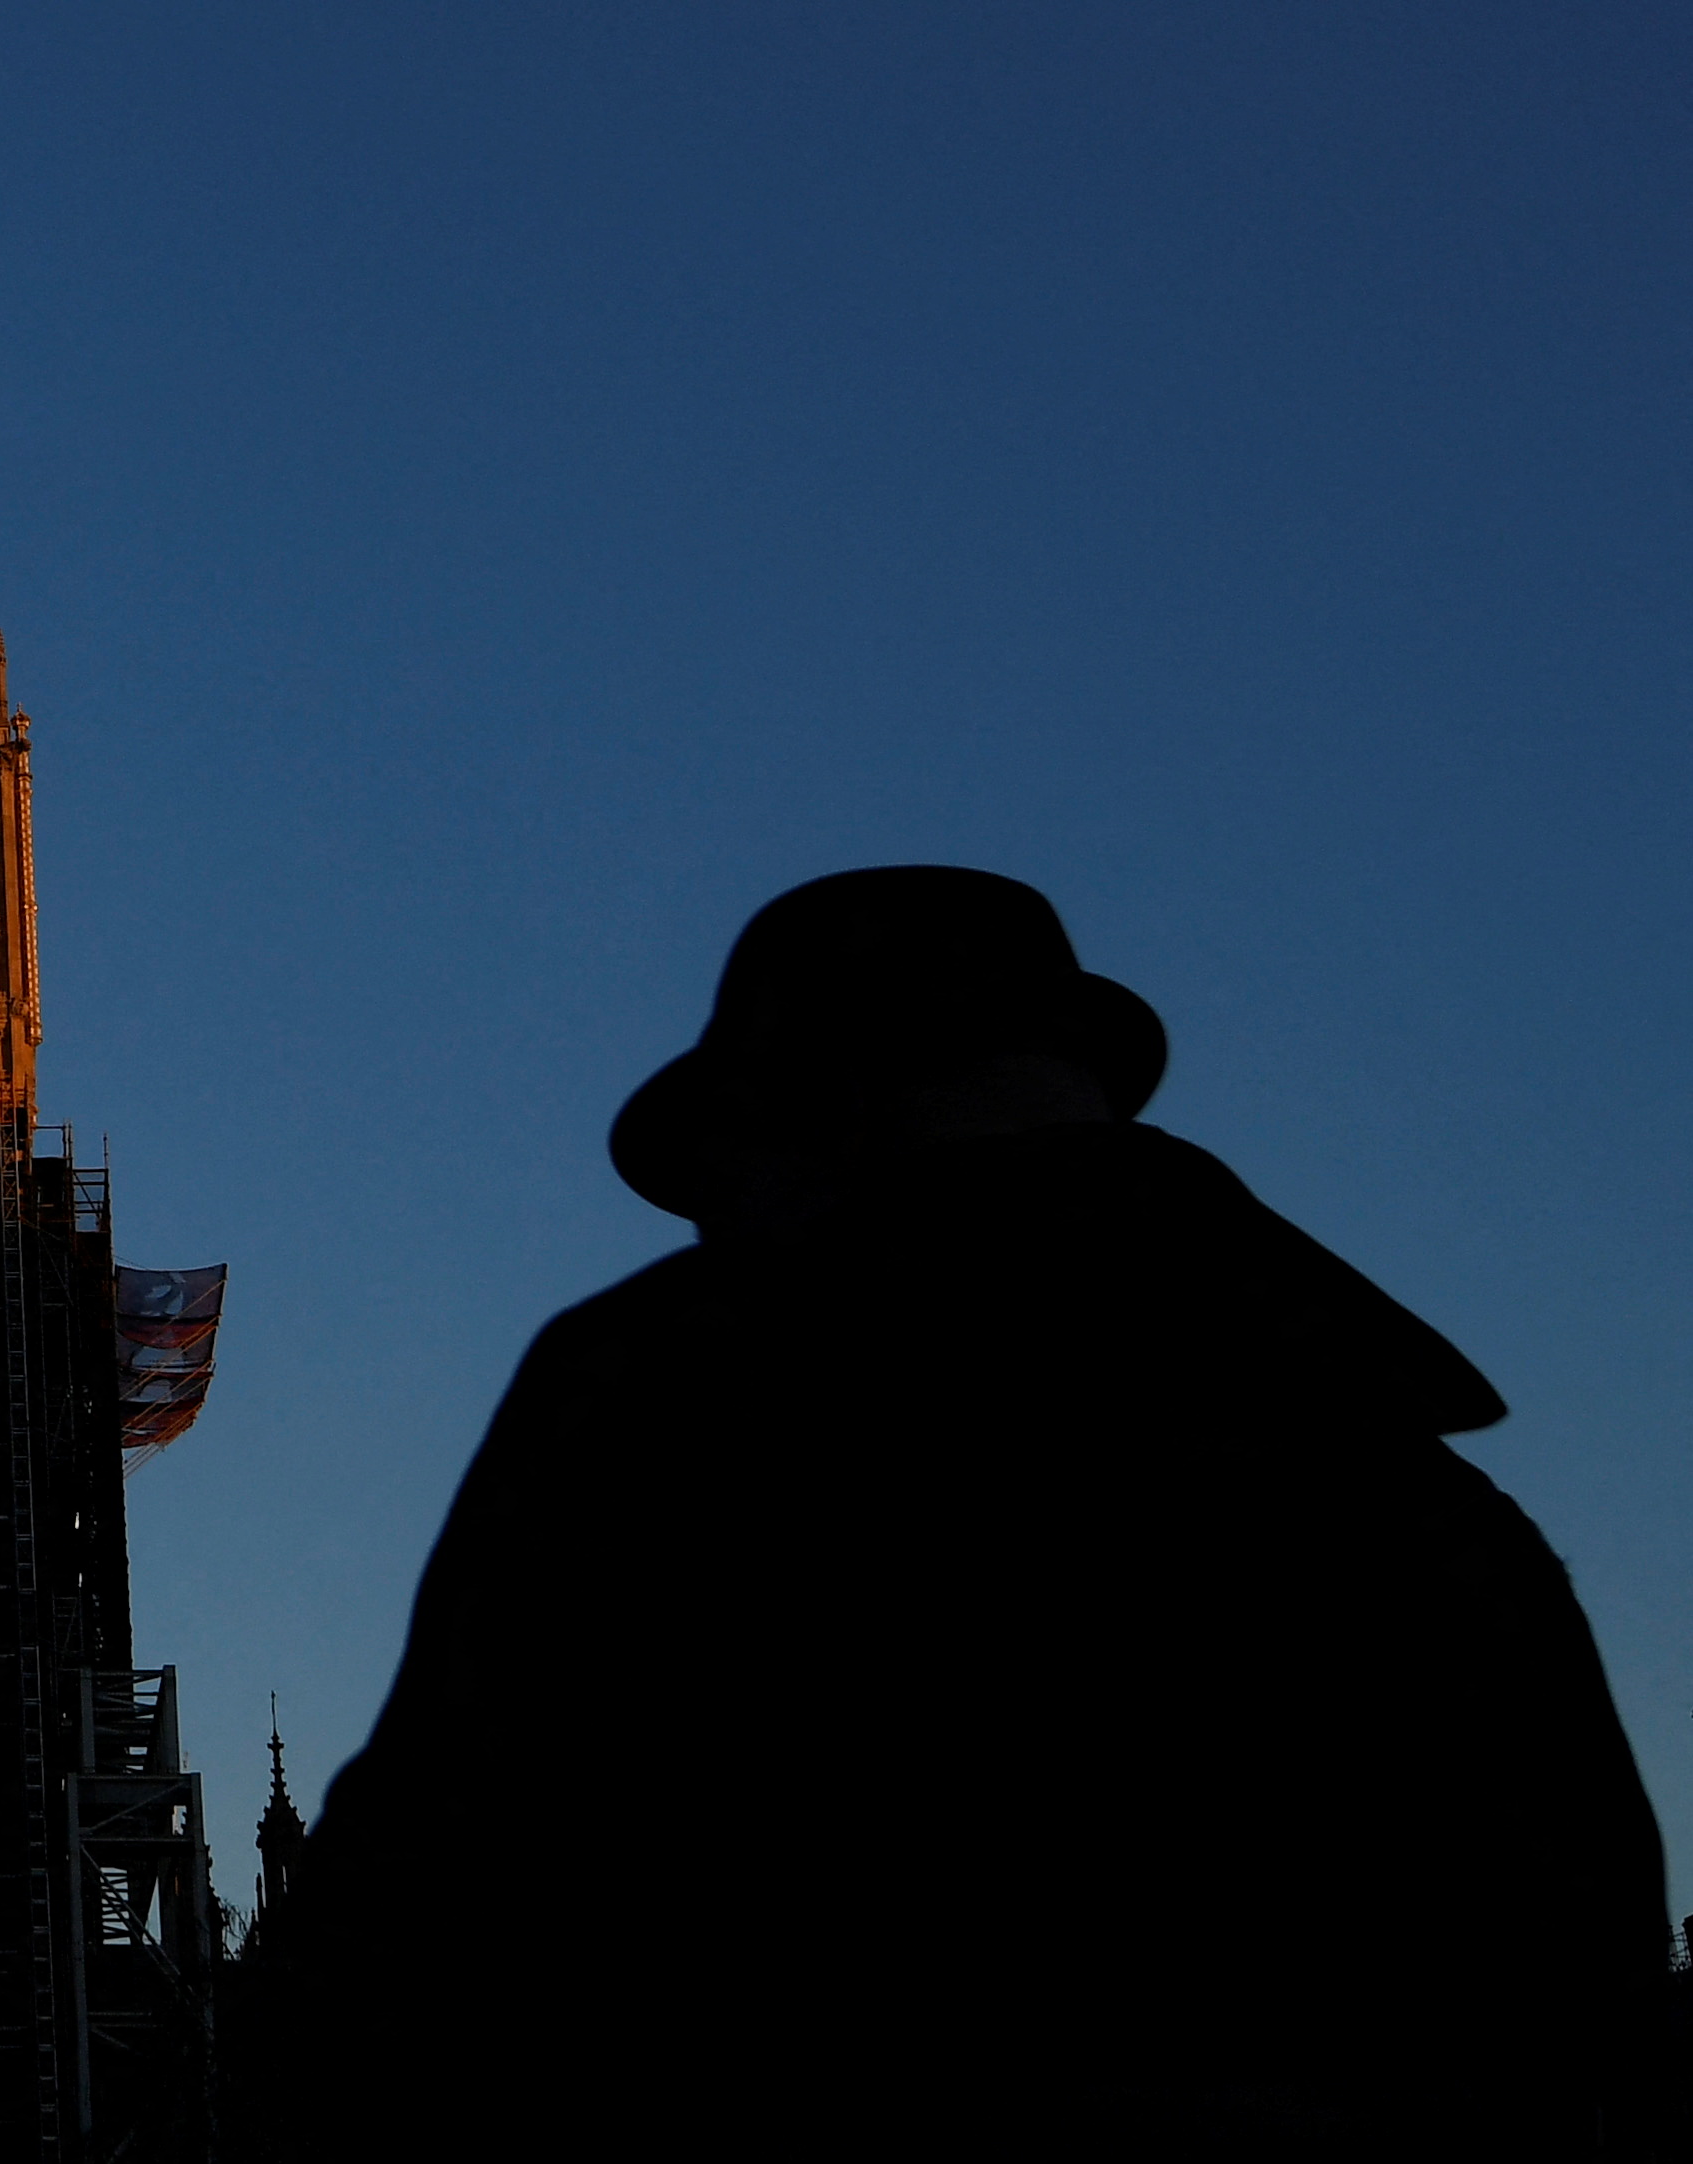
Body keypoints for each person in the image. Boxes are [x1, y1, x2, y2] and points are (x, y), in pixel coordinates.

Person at [279, 867, 1670, 2159]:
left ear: (816, 1112)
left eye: (726, 1165)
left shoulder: (671, 1382)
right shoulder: (1393, 1473)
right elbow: (1587, 1955)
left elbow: (417, 1876)